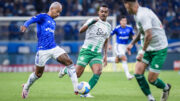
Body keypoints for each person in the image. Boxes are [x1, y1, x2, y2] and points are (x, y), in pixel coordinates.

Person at [20, 2, 78, 99]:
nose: (59, 14)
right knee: (38, 74)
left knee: (70, 63)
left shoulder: (53, 22)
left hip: (54, 48)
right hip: (42, 50)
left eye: (60, 12)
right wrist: (25, 25)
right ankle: (26, 87)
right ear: (52, 8)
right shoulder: (43, 16)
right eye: (58, 11)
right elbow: (32, 19)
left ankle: (77, 89)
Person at [59, 4, 111, 97]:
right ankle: (66, 70)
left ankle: (85, 92)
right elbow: (80, 30)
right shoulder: (93, 20)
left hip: (97, 53)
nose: (103, 13)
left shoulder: (108, 26)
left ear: (108, 13)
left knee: (98, 72)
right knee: (78, 74)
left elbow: (106, 40)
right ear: (98, 12)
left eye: (105, 12)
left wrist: (105, 55)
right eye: (102, 11)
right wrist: (90, 23)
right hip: (86, 51)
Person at [123, 0, 171, 101]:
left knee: (152, 79)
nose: (126, 10)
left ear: (131, 6)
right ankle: (150, 98)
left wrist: (141, 52)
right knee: (137, 73)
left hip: (159, 48)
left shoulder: (142, 15)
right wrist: (132, 43)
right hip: (148, 47)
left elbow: (149, 35)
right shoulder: (137, 15)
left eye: (127, 8)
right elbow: (142, 31)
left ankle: (166, 88)